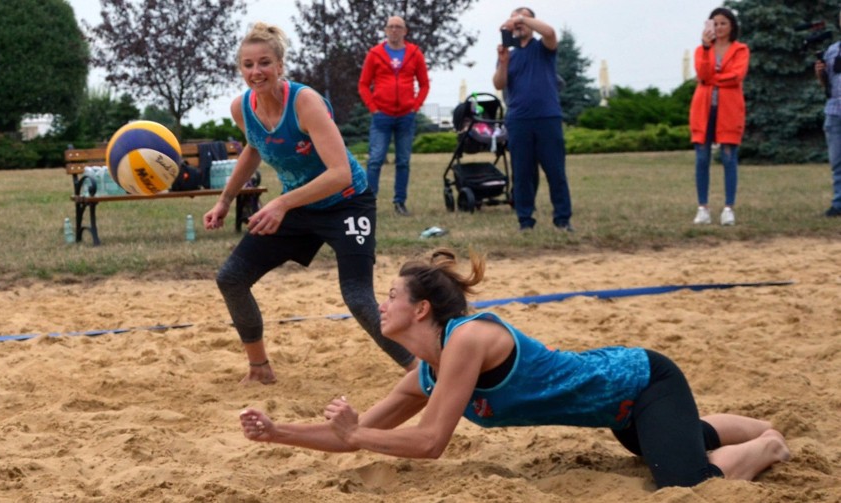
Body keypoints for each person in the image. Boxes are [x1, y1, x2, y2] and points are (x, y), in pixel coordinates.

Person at [239, 247, 791, 489]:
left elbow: (430, 442)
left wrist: (358, 433)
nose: (382, 306)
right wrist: (279, 433)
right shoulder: (424, 373)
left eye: (390, 297)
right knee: (678, 439)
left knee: (684, 481)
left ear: (422, 309)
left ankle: (769, 444)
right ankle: (750, 428)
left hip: (644, 380)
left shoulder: (469, 339)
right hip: (622, 413)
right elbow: (354, 437)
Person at [203, 23, 416, 384]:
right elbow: (254, 148)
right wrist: (225, 200)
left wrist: (282, 203)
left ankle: (421, 370)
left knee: (358, 297)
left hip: (347, 202)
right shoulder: (242, 108)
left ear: (281, 65)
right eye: (248, 65)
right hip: (299, 206)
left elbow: (340, 174)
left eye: (265, 63)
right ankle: (260, 369)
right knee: (231, 278)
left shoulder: (305, 102)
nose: (256, 72)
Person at [493, 7, 573, 232]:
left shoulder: (543, 48)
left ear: (531, 22)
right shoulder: (509, 53)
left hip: (547, 117)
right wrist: (504, 61)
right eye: (516, 19)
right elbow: (499, 84)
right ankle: (525, 220)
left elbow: (549, 32)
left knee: (555, 171)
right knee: (523, 173)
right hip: (519, 120)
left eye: (524, 18)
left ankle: (563, 220)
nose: (519, 23)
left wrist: (520, 18)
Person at [358, 15, 430, 217]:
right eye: (391, 27)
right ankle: (368, 203)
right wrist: (373, 108)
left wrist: (415, 106)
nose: (394, 30)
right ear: (385, 30)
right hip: (381, 115)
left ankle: (400, 202)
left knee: (403, 161)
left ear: (405, 31)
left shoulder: (415, 53)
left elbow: (424, 83)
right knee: (375, 160)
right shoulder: (375, 53)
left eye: (398, 27)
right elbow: (363, 84)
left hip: (406, 115)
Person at [689, 8, 750, 226]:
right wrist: (707, 49)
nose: (719, 28)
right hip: (703, 109)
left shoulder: (740, 50)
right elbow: (702, 73)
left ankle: (728, 208)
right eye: (715, 24)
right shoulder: (701, 50)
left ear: (732, 25)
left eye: (723, 23)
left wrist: (712, 79)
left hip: (729, 109)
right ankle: (703, 207)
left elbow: (736, 76)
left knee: (728, 157)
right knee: (702, 158)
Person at [815, 9, 841, 218]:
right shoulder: (832, 51)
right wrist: (820, 74)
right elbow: (827, 85)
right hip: (835, 112)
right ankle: (838, 203)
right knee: (837, 162)